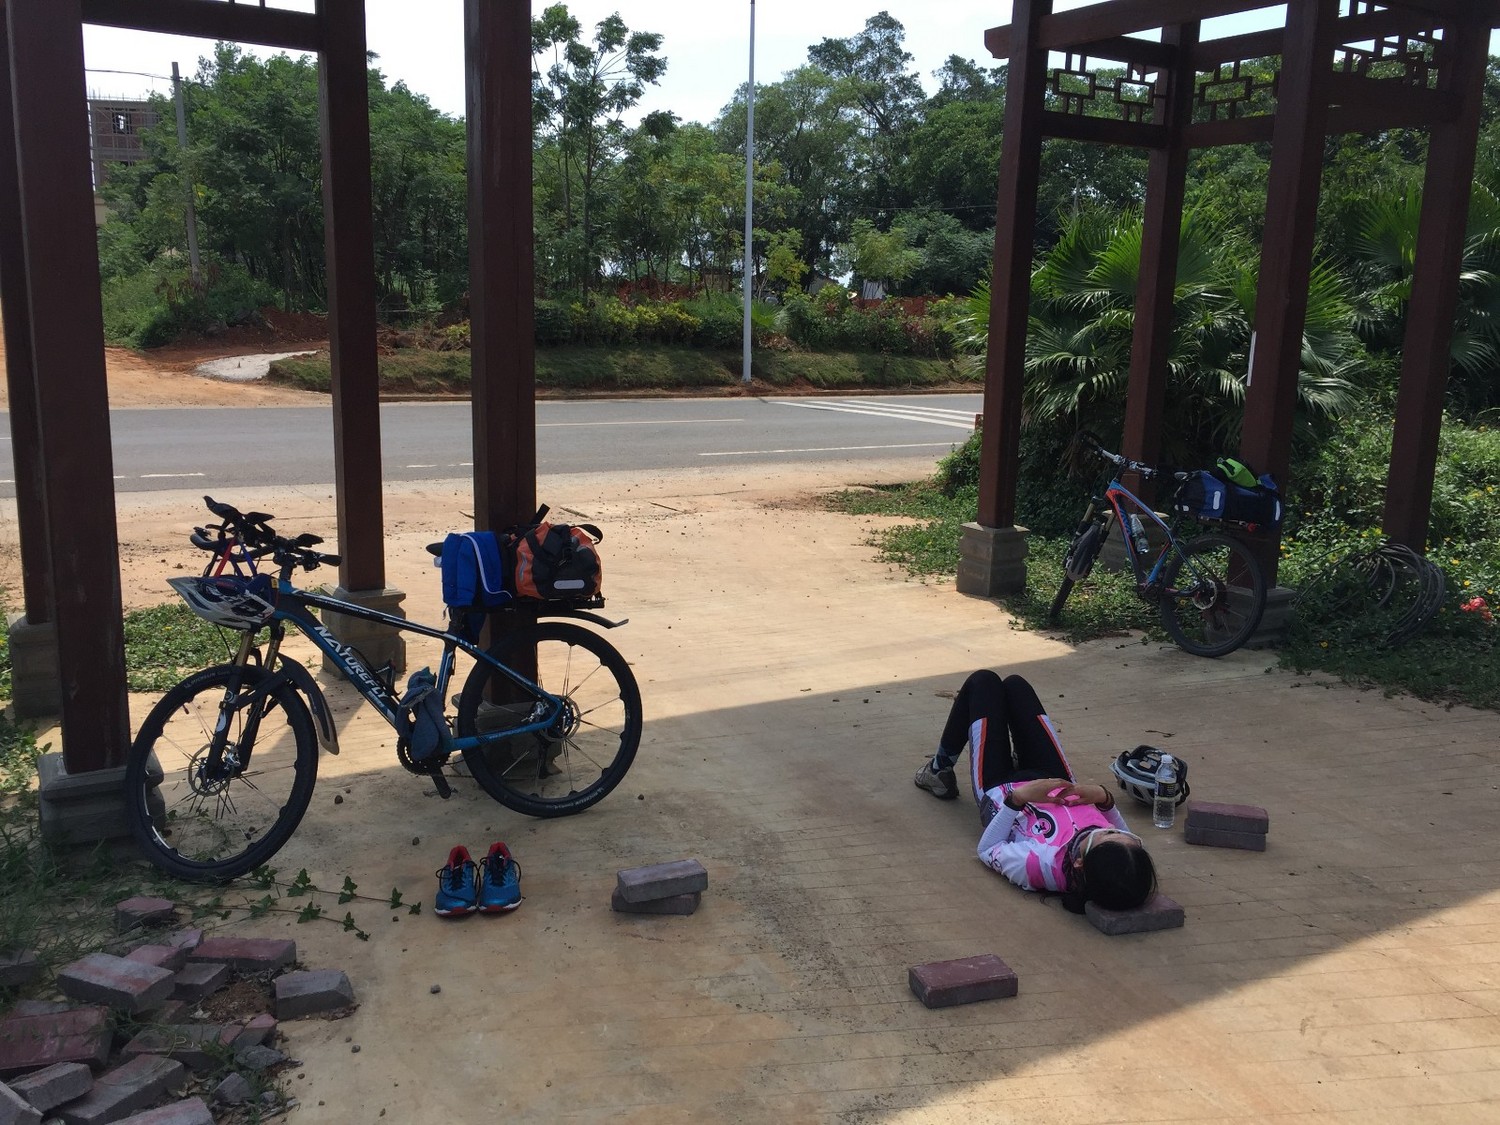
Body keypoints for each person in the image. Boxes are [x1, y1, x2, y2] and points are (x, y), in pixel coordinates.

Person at [914, 669, 1156, 913]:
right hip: (1055, 780)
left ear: (1080, 863)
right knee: (1015, 686)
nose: (1112, 829)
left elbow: (987, 850)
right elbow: (1121, 836)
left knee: (983, 683)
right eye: (1125, 835)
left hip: (1001, 789)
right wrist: (1105, 800)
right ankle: (1024, 755)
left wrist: (1019, 799)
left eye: (1105, 834)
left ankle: (938, 771)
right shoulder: (1123, 858)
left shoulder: (1039, 865)